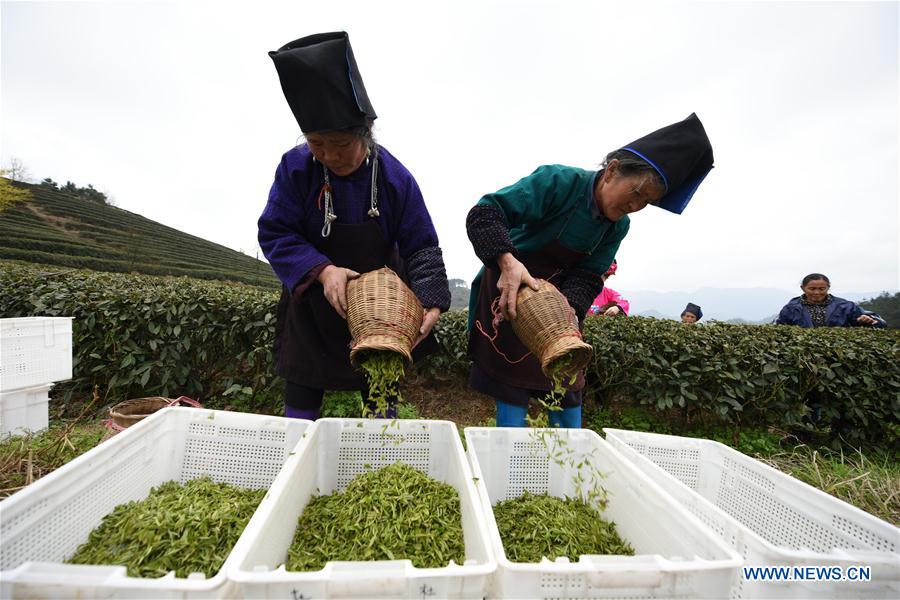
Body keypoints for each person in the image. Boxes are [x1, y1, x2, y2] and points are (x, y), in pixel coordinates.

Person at [466, 114, 715, 428]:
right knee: (513, 394)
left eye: (647, 202)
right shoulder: (558, 182)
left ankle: (563, 469)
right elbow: (485, 213)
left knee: (568, 394)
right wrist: (507, 261)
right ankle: (507, 462)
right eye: (635, 193)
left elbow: (588, 276)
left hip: (556, 306)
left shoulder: (617, 227)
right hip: (512, 290)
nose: (635, 206)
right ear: (612, 171)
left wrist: (561, 318)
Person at [259, 32, 450, 420]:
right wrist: (323, 270)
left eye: (341, 144)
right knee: (301, 396)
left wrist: (431, 299)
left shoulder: (394, 178)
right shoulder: (296, 169)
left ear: (365, 134)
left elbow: (422, 246)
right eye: (317, 143)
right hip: (313, 303)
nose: (329, 155)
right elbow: (275, 231)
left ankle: (379, 461)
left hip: (381, 313)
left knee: (381, 399)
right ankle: (299, 462)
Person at [775, 273, 886, 328]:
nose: (817, 292)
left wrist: (870, 321)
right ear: (803, 288)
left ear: (828, 288)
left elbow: (879, 323)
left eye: (822, 289)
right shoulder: (791, 308)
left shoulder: (845, 306)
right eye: (812, 289)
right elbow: (778, 328)